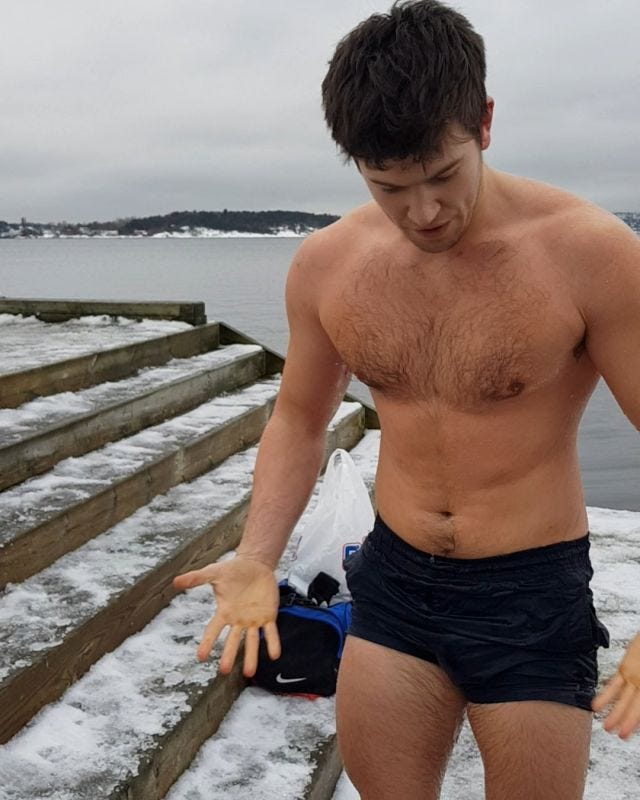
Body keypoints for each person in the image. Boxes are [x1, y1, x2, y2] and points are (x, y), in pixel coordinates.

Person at [173, 1, 640, 797]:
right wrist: (256, 555)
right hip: (393, 580)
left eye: (443, 176)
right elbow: (299, 419)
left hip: (530, 593)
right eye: (389, 186)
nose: (423, 212)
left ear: (483, 122)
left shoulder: (590, 255)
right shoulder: (329, 266)